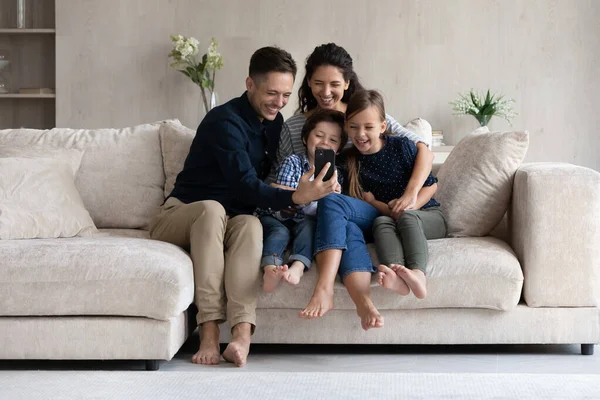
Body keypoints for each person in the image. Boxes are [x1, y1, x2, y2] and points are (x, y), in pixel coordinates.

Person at [149, 46, 338, 367]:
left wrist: (305, 190)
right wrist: (296, 197)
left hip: (230, 219)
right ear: (250, 84)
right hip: (181, 215)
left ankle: (241, 335)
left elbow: (265, 185)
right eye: (272, 93)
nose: (279, 102)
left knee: (250, 224)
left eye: (286, 95)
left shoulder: (275, 123)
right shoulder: (224, 121)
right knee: (211, 209)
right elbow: (245, 184)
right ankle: (208, 332)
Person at [300, 90, 445, 331]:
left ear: (382, 126)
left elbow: (431, 185)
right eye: (354, 127)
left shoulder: (402, 147)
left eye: (368, 126)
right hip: (382, 218)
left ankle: (326, 289)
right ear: (346, 127)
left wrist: (410, 205)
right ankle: (372, 294)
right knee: (339, 210)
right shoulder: (348, 160)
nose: (361, 134)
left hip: (423, 215)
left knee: (400, 218)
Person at [269, 43, 433, 215]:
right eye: (318, 83)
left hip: (359, 207)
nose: (326, 92)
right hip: (308, 212)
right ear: (309, 82)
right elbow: (276, 179)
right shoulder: (293, 126)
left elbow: (424, 150)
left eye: (335, 84)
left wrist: (410, 195)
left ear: (346, 83)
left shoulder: (366, 115)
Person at [258, 109, 348, 292]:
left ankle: (298, 267)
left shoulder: (337, 176)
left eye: (333, 140)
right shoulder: (293, 162)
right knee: (279, 233)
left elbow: (333, 212)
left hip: (305, 220)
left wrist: (334, 196)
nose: (324, 142)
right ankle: (270, 269)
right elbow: (283, 197)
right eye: (319, 135)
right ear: (306, 138)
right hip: (278, 216)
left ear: (338, 149)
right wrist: (310, 193)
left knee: (308, 229)